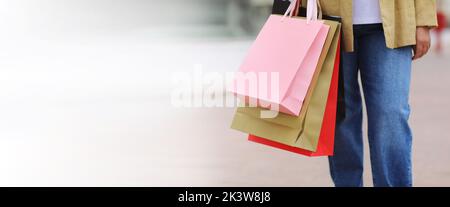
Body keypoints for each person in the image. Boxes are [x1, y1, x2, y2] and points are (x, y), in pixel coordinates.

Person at [297, 0, 438, 187]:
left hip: (395, 20)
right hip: (330, 20)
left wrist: (423, 20)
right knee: (341, 117)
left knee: (391, 114)